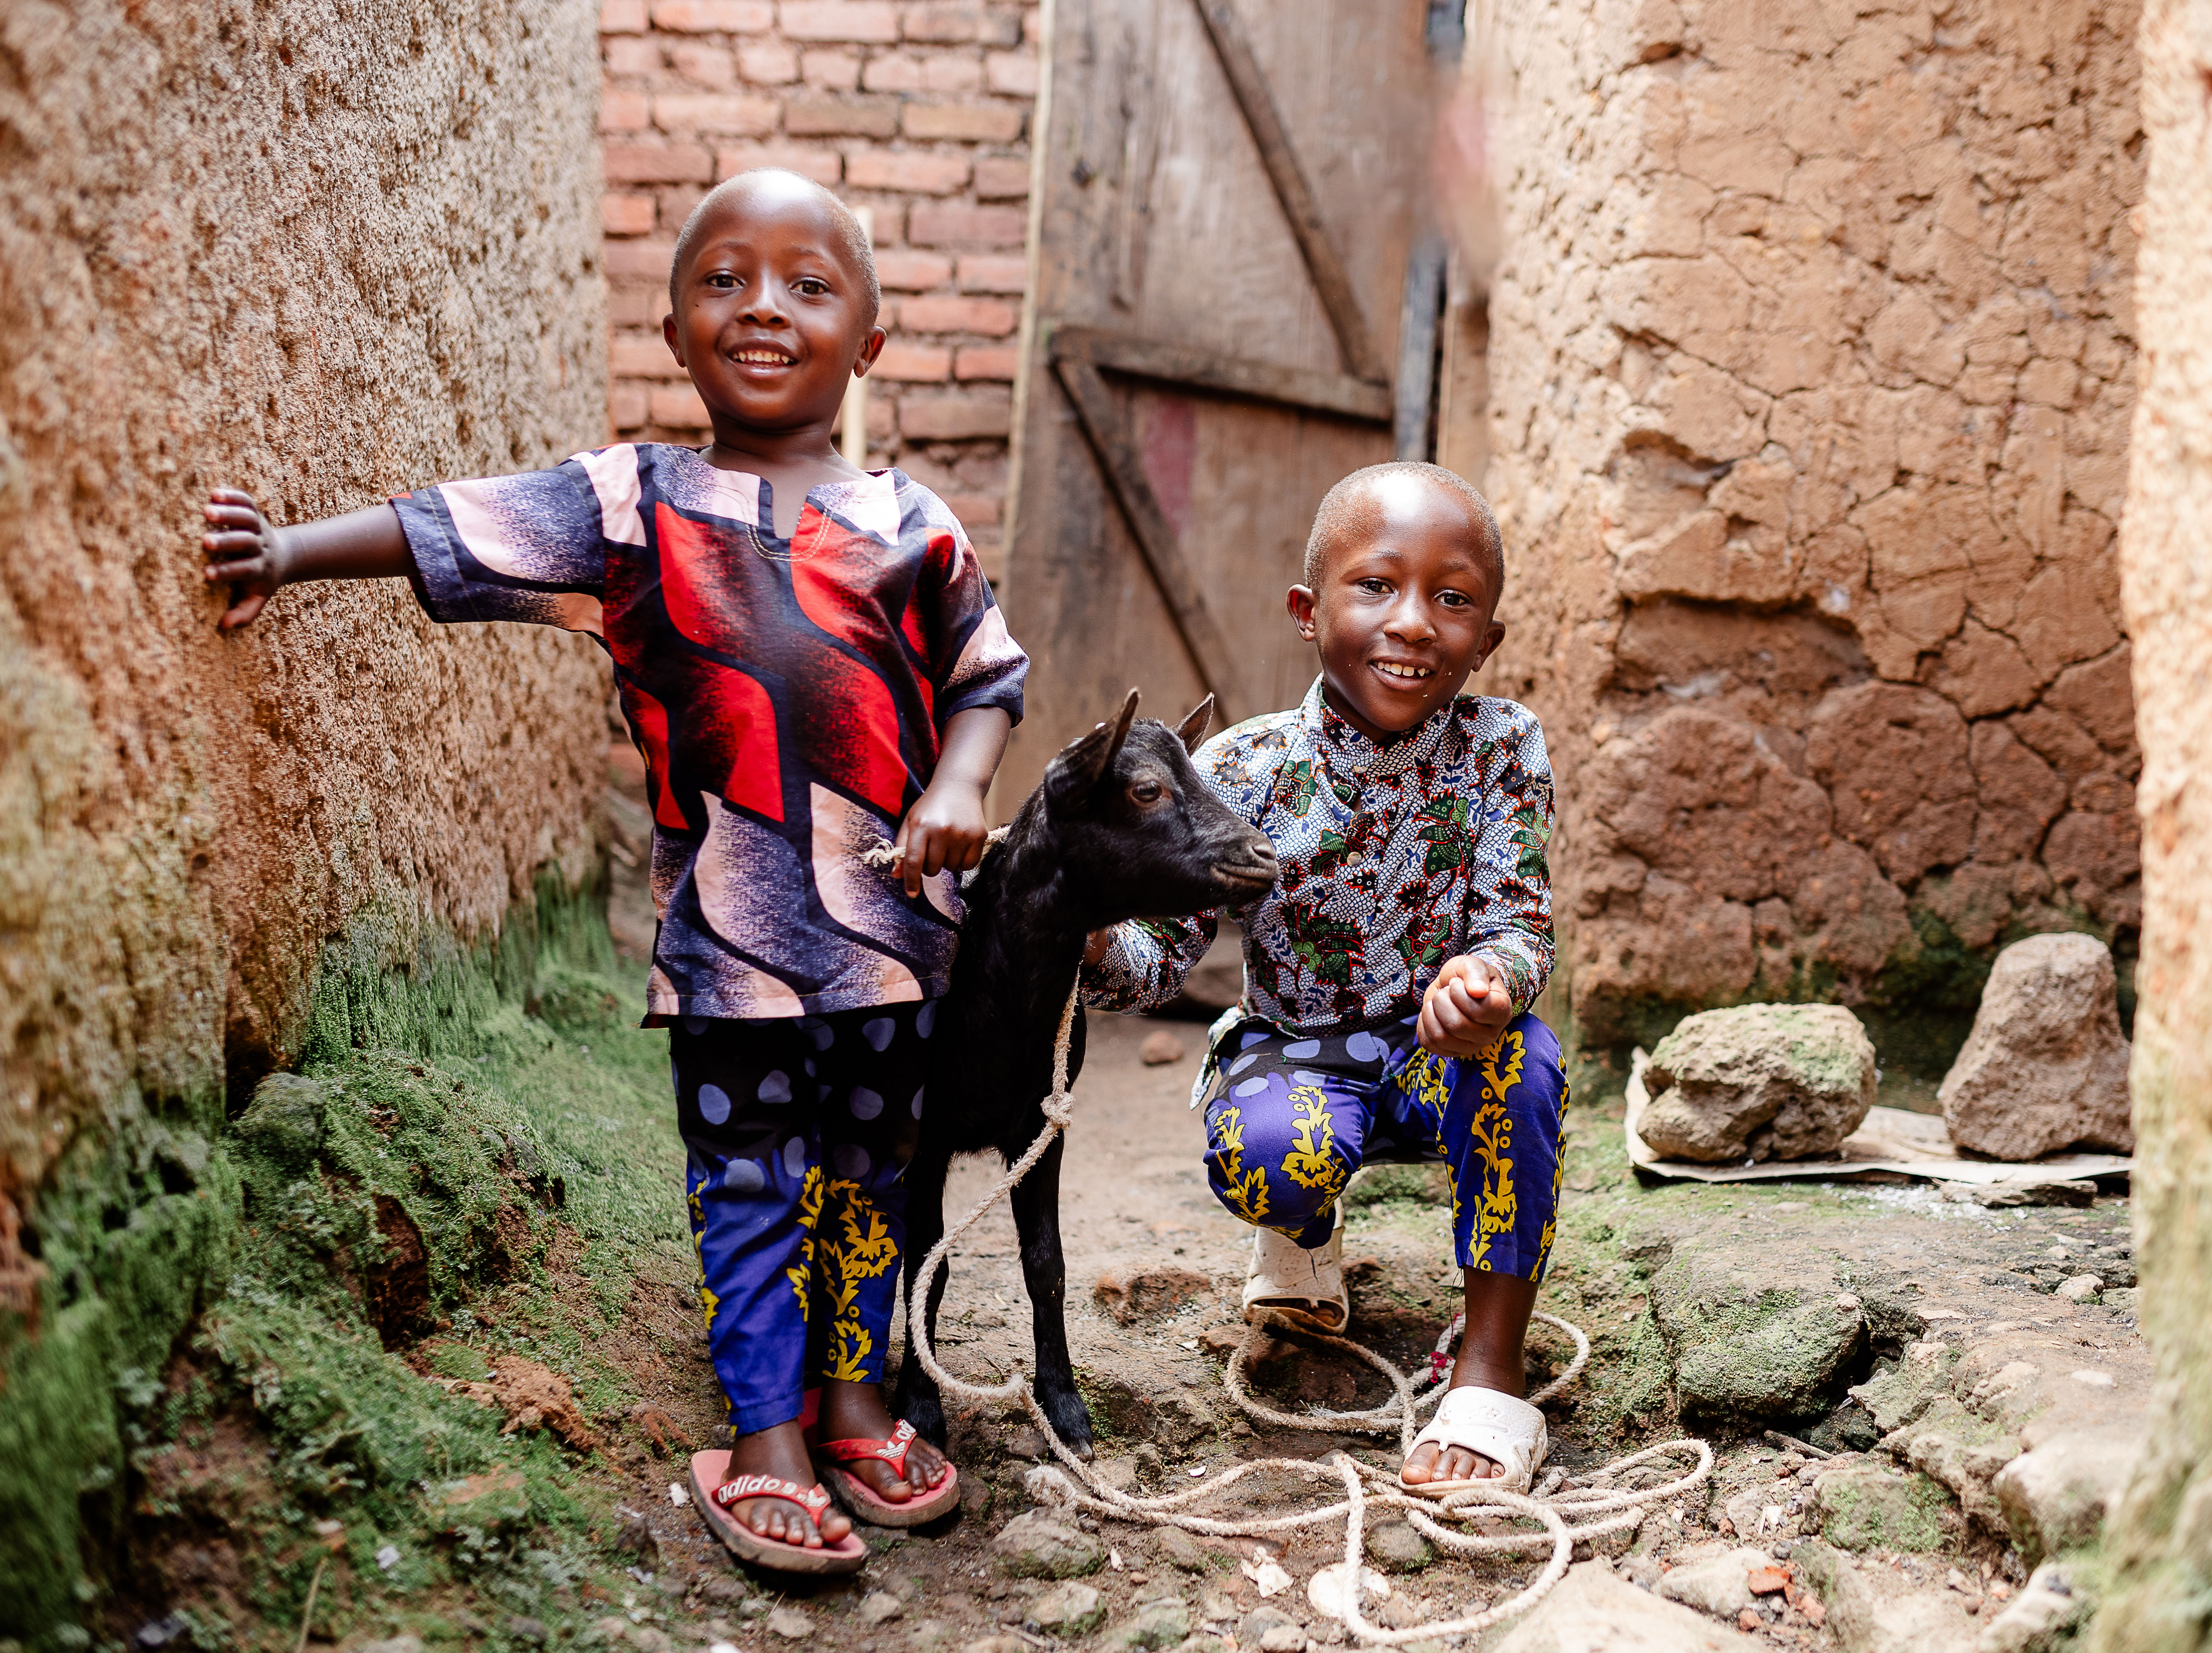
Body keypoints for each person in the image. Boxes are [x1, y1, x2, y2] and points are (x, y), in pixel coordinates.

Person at [197, 171, 1021, 1566]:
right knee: (750, 1173)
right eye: (725, 280)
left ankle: (853, 1393)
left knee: (864, 1172)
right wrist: (286, 550)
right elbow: (449, 523)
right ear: (673, 320)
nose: (763, 305)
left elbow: (984, 676)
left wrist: (955, 781)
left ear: (869, 341)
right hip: (731, 944)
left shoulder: (913, 519)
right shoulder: (629, 501)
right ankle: (760, 1429)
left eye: (810, 286)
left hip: (893, 931)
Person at [1081, 462, 1567, 1495]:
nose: (1413, 622)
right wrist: (1083, 938)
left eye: (1452, 598)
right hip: (1296, 1053)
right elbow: (1158, 957)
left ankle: (1490, 1367)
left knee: (1524, 1059)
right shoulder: (1247, 769)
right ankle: (1301, 1236)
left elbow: (1520, 923)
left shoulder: (1502, 749)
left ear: (1488, 636)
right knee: (1274, 1159)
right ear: (1308, 611)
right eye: (1375, 586)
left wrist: (1486, 980)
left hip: (1447, 1060)